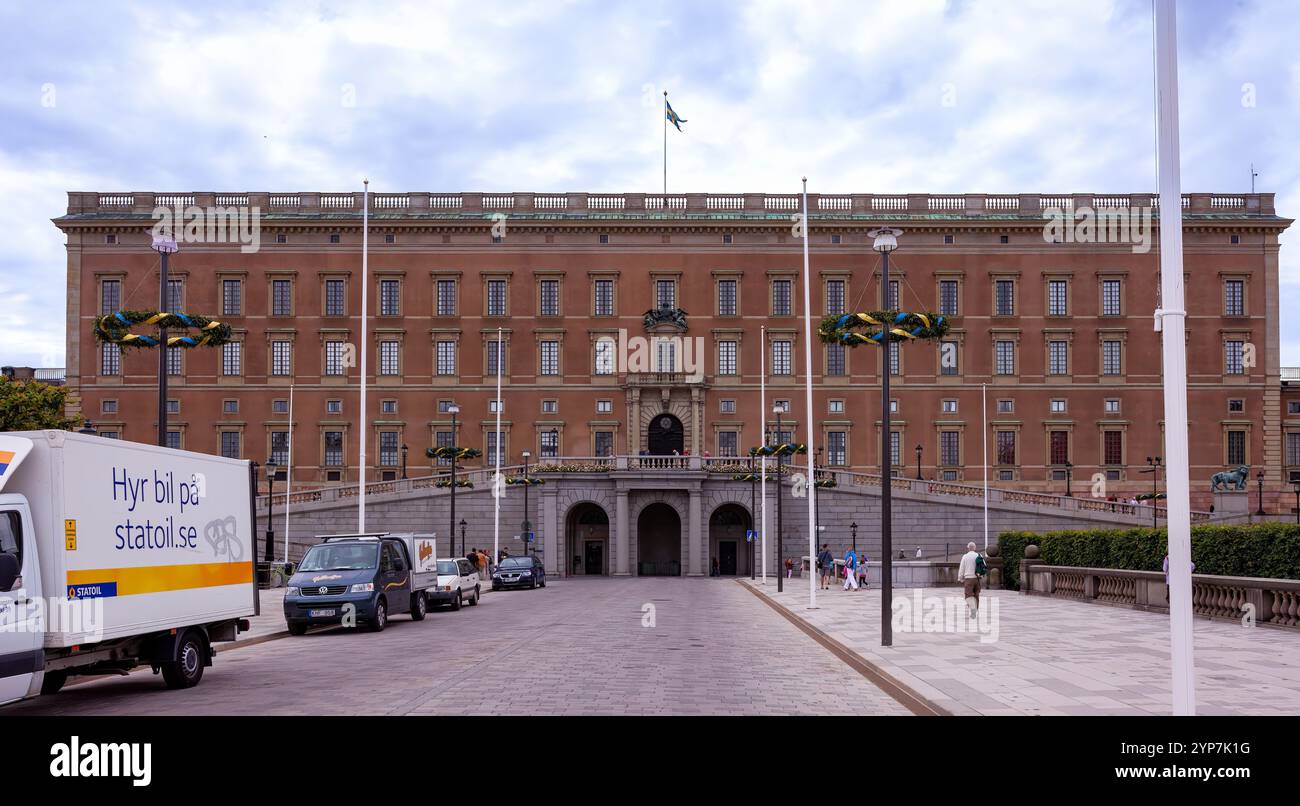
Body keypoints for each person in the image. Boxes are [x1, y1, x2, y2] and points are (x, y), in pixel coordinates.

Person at [958, 542, 984, 617]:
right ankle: (975, 610)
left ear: (968, 548)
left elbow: (962, 568)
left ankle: (973, 609)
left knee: (968, 595)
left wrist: (960, 577)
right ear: (975, 548)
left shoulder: (965, 556)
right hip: (977, 578)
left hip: (968, 579)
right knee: (976, 595)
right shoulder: (979, 555)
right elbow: (983, 566)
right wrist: (981, 575)